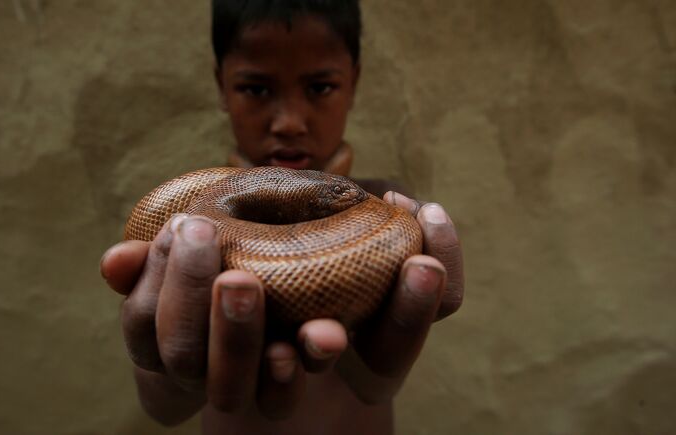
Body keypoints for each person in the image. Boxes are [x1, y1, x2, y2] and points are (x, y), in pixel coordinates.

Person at [99, 1, 464, 433]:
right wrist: (176, 376)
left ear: (354, 81)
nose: (289, 123)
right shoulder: (186, 227)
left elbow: (376, 388)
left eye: (319, 87)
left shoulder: (390, 202)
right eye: (257, 88)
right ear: (221, 86)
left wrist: (377, 368)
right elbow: (163, 409)